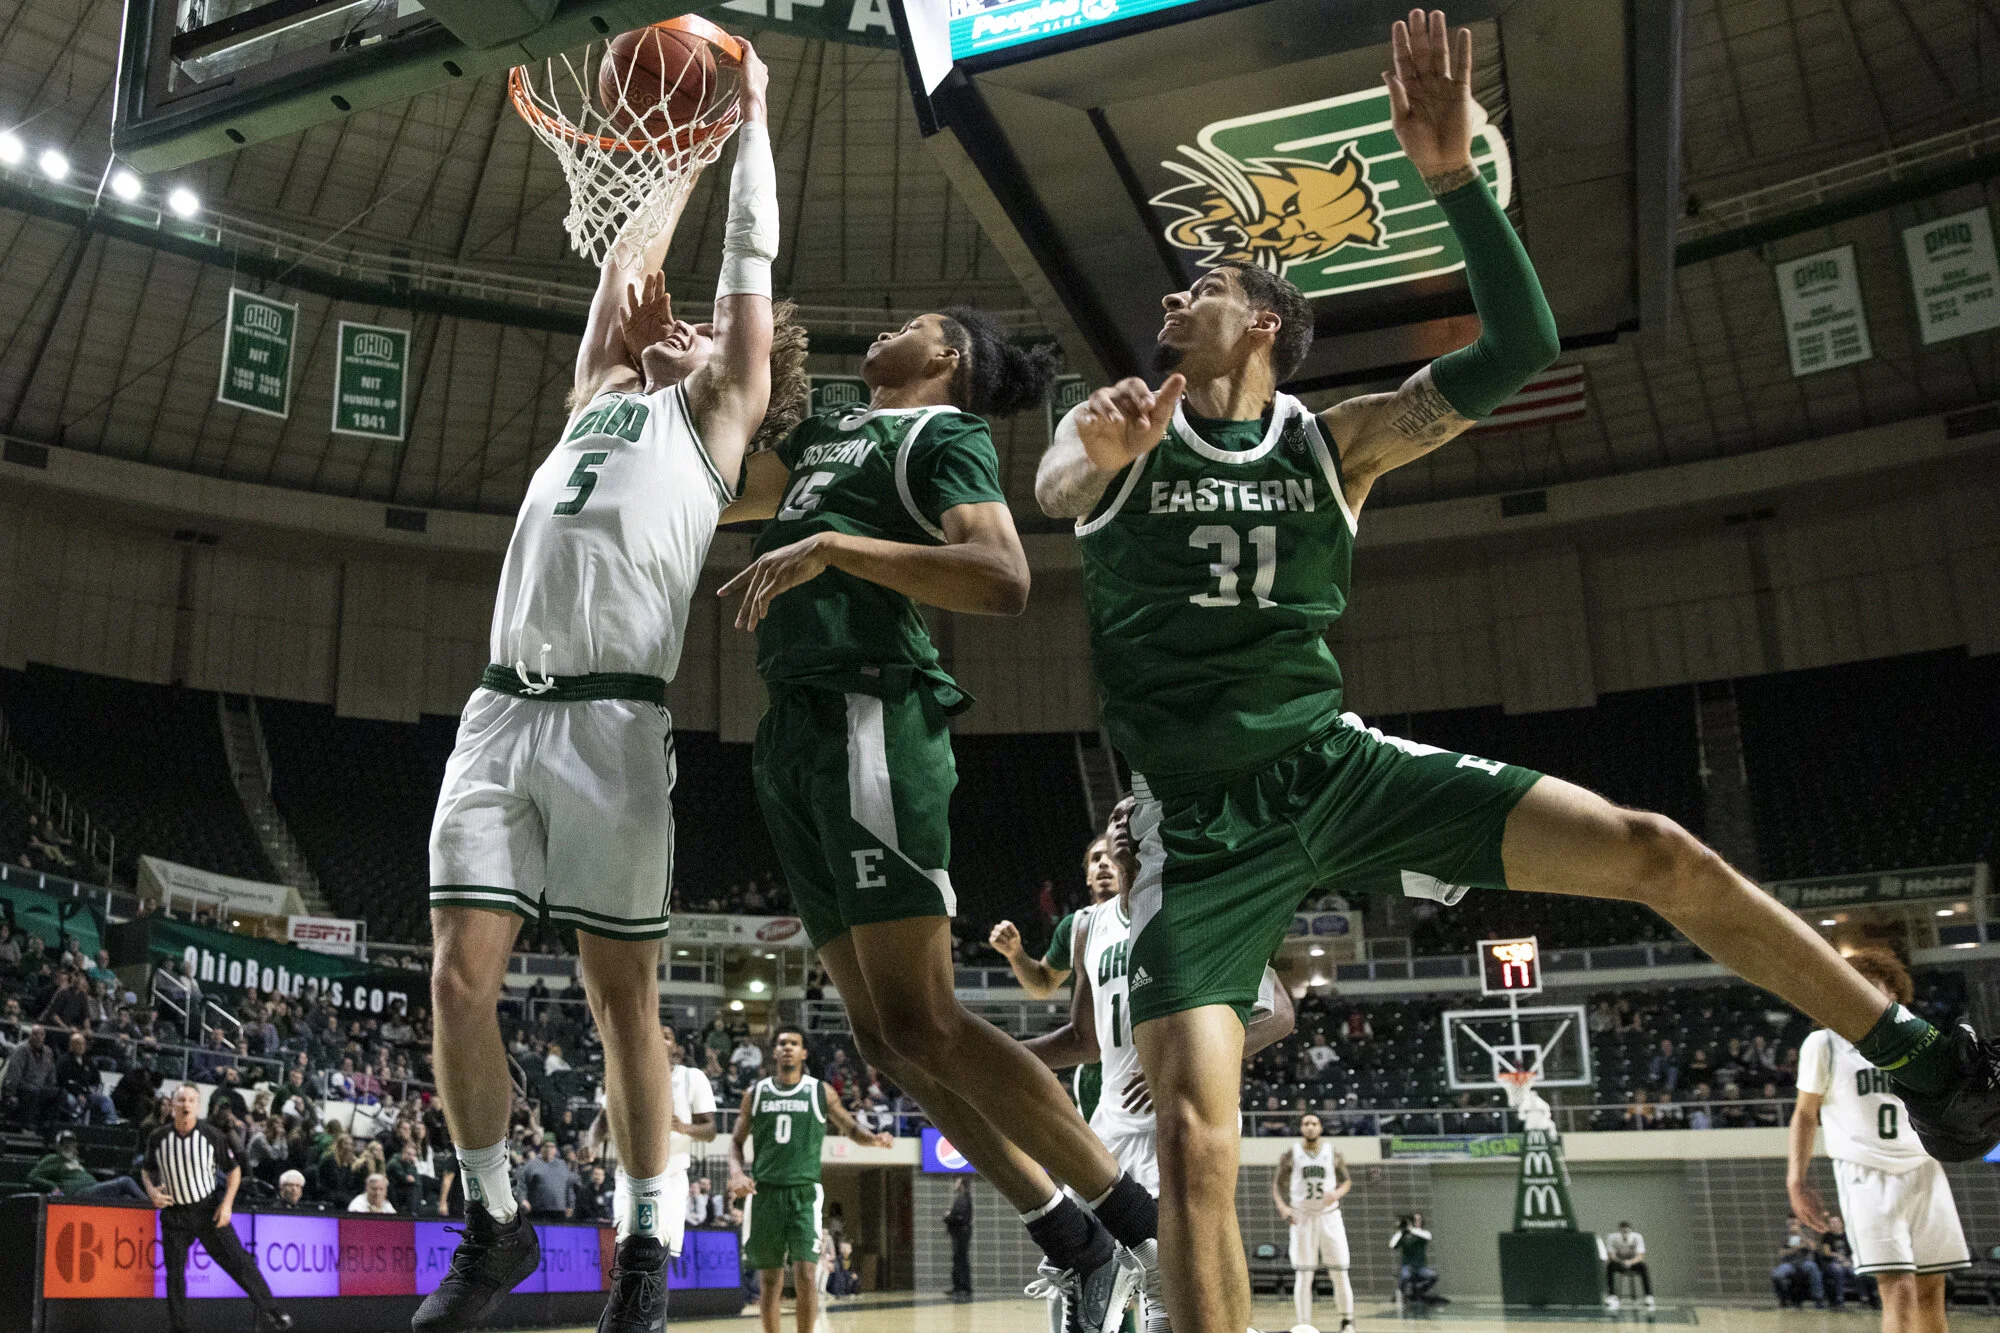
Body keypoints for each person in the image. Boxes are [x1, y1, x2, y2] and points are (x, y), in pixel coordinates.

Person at [1033, 10, 2000, 1331]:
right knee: (1200, 1149)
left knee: (1660, 849)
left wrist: (1450, 182)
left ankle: (1928, 1053)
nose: (1166, 302)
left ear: (1264, 322)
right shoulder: (1122, 435)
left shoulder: (1343, 445)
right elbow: (1055, 480)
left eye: (1195, 287)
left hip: (1335, 767)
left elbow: (1516, 350)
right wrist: (1089, 449)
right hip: (1194, 838)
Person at [419, 42, 804, 1333]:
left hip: (610, 723)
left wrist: (745, 124)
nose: (677, 317)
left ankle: (644, 1242)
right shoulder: (595, 391)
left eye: (700, 328)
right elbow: (628, 256)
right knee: (456, 983)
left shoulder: (718, 417)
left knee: (616, 994)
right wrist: (669, 143)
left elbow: (743, 266)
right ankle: (495, 1220)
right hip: (497, 711)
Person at [722, 288, 1160, 1329]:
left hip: (872, 711)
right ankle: (1070, 1237)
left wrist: (834, 548)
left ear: (949, 356)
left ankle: (1137, 1220)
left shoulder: (940, 434)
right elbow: (719, 493)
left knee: (927, 1017)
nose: (887, 324)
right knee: (885, 1040)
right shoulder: (831, 433)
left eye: (916, 321)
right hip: (792, 729)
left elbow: (1001, 576)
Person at [1023, 810, 1294, 1333]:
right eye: (1114, 818)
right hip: (1111, 1125)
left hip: (1184, 1114)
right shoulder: (1088, 927)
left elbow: (1279, 1015)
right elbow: (1084, 1041)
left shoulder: (1202, 908)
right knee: (1080, 1267)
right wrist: (1002, 1058)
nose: (1123, 824)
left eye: (1136, 814)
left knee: (1170, 1286)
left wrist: (1193, 1060)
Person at [1789, 949, 1968, 1333]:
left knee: (1931, 1292)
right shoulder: (1824, 1044)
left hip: (1924, 1169)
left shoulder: (1922, 1039)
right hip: (1865, 1174)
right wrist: (1796, 1179)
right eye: (1857, 989)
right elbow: (1805, 1114)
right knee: (1899, 1291)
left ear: (1896, 996)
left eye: (1876, 990)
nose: (1866, 998)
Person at [728, 1028, 892, 1333]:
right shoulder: (757, 1093)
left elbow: (850, 1127)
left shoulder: (820, 1091)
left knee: (805, 1274)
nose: (787, 1047)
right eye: (781, 1044)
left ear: (804, 1053)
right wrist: (737, 1173)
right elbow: (735, 1142)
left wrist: (874, 1139)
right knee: (770, 1279)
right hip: (765, 1193)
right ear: (774, 1052)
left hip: (804, 1193)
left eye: (794, 1043)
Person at [144, 1084, 292, 1333]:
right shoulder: (158, 1137)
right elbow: (146, 1169)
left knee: (239, 1261)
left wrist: (226, 1205)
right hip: (175, 1214)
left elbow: (234, 1171)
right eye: (181, 1100)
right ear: (173, 1105)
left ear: (198, 1105)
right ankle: (178, 1328)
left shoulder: (211, 1135)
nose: (186, 1105)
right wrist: (151, 1191)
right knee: (175, 1275)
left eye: (191, 1100)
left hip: (208, 1209)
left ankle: (272, 1311)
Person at [1273, 1115, 1352, 1333]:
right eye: (1306, 1123)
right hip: (1302, 1217)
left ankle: (1347, 1322)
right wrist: (1282, 1206)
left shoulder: (1332, 1152)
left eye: (1314, 1123)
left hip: (1329, 1216)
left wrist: (1337, 1192)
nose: (1310, 1127)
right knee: (1304, 1273)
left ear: (1320, 1127)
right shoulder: (1291, 1154)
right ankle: (1304, 1324)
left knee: (1340, 1270)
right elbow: (1277, 1183)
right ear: (1301, 1128)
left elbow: (1346, 1180)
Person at [29, 1128, 148, 1201]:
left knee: (126, 1198)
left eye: (71, 1142)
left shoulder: (76, 1160)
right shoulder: (53, 1159)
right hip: (78, 1193)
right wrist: (53, 1187)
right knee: (125, 1181)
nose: (68, 1145)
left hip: (93, 1189)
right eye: (65, 1143)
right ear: (58, 1145)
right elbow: (33, 1177)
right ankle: (153, 1208)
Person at [1773, 1215, 1826, 1307]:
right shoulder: (1785, 1236)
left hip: (1804, 1262)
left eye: (1794, 1221)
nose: (1792, 1223)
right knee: (1777, 1275)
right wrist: (1794, 1249)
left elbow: (1813, 1247)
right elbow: (1781, 1253)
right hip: (1789, 1263)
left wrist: (1800, 1233)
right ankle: (1783, 1298)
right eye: (1790, 1221)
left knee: (1813, 1268)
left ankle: (1818, 1298)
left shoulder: (1806, 1232)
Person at [1390, 1214, 1441, 1306]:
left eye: (1419, 1220)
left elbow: (1428, 1236)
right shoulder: (1404, 1235)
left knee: (1433, 1276)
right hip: (1407, 1267)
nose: (1417, 1222)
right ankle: (1402, 1294)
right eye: (1415, 1220)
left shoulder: (1423, 1234)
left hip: (1420, 1267)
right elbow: (1392, 1245)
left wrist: (1411, 1230)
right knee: (1404, 1276)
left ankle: (1419, 1292)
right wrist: (1402, 1231)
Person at [1603, 1221, 1652, 1311]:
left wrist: (1630, 1262)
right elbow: (1611, 1256)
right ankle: (1612, 1295)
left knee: (1643, 1267)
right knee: (1610, 1266)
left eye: (1627, 1232)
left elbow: (1640, 1256)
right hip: (1619, 1262)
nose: (1625, 1234)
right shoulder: (1612, 1238)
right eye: (1623, 1232)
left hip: (1633, 1263)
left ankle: (1648, 1296)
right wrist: (1622, 1261)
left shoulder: (1637, 1237)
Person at [945, 1176, 973, 1301]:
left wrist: (948, 1217)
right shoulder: (960, 1199)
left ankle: (964, 1286)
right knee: (958, 1259)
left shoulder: (965, 1200)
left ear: (962, 1185)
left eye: (957, 1183)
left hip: (961, 1233)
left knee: (961, 1259)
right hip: (958, 1233)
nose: (955, 1185)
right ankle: (958, 1285)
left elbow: (960, 1217)